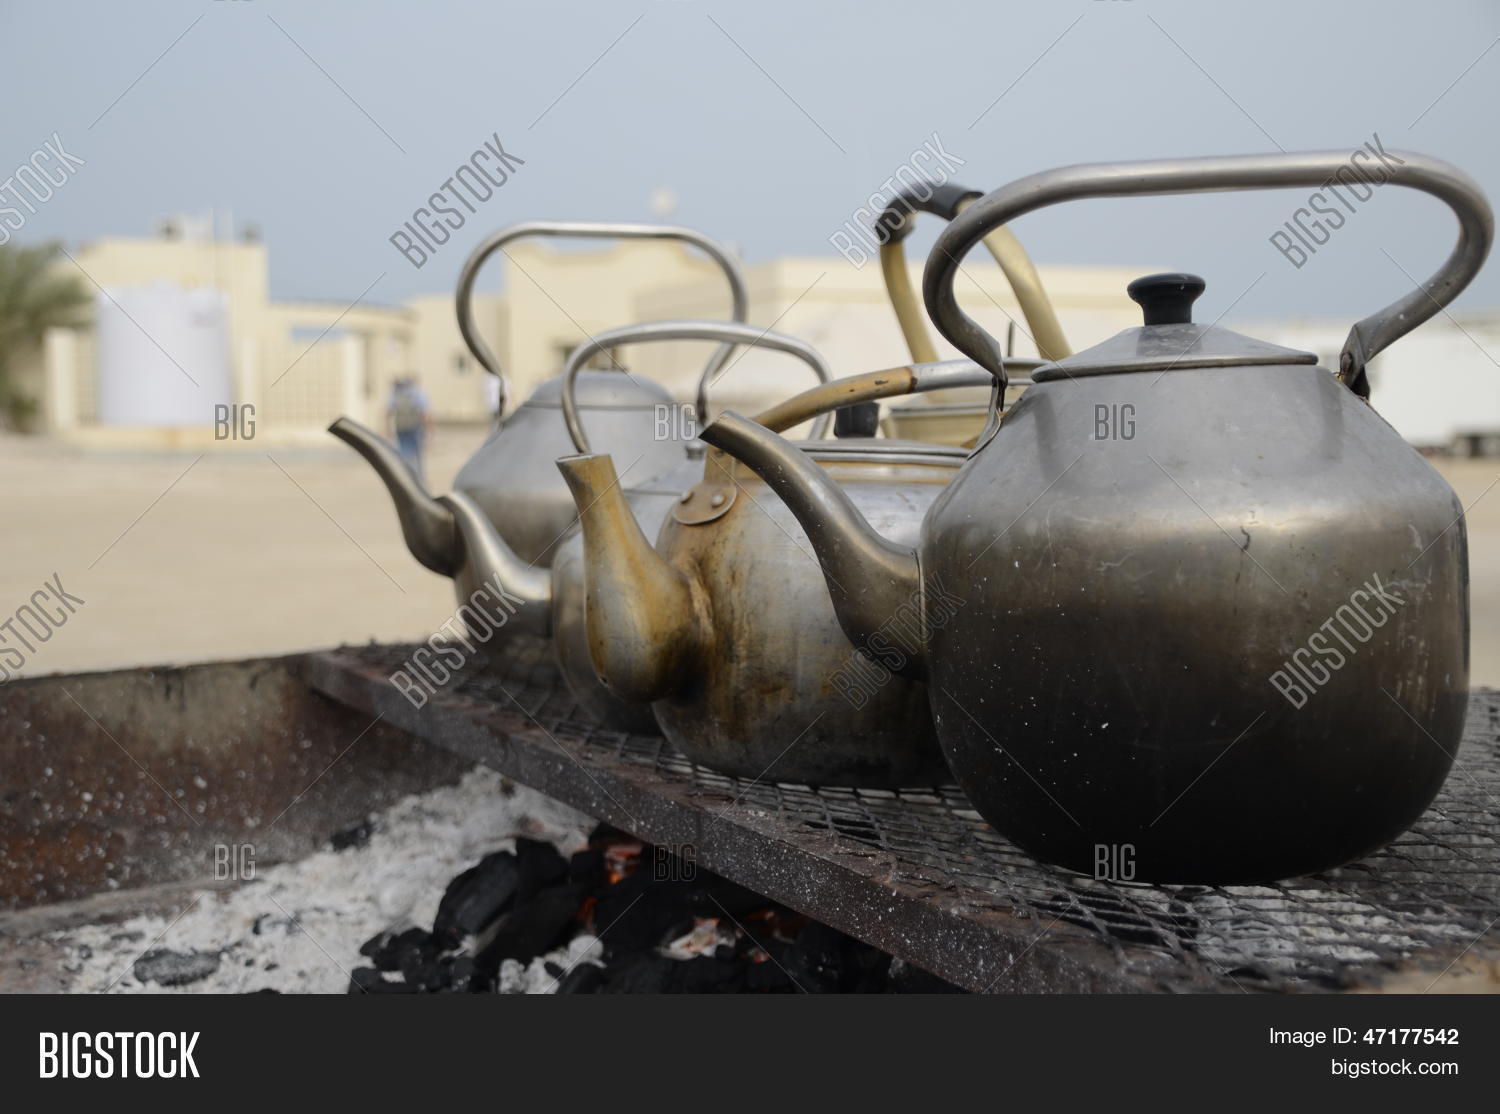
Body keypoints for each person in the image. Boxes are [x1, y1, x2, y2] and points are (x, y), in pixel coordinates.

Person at [387, 375, 432, 482]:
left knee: (404, 453)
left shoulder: (396, 395)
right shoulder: (417, 394)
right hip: (415, 428)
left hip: (401, 428)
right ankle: (419, 480)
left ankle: (405, 478)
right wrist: (429, 429)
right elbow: (424, 414)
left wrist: (387, 428)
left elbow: (388, 412)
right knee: (418, 456)